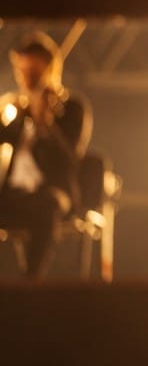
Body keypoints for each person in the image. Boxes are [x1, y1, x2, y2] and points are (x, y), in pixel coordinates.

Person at [0, 31, 92, 278]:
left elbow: (70, 160)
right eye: (22, 72)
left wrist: (46, 125)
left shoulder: (71, 108)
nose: (27, 79)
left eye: (34, 73)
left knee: (47, 205)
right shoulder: (15, 111)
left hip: (52, 192)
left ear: (51, 70)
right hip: (13, 195)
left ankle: (32, 283)